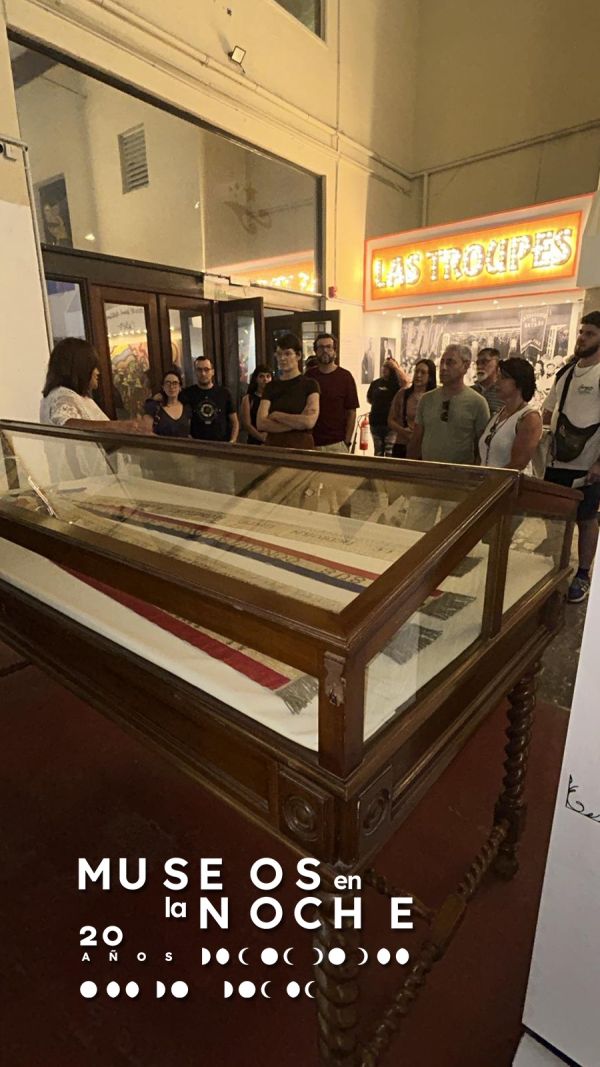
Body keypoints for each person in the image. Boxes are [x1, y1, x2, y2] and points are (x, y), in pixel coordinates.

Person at [543, 311, 600, 603]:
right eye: (581, 332)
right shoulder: (566, 372)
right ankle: (559, 566)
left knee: (586, 518)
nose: (582, 338)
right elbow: (548, 410)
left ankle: (583, 573)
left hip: (587, 463)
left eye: (590, 334)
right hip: (556, 460)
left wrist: (599, 463)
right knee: (555, 516)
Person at [40, 337, 145, 433]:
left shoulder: (67, 396)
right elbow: (65, 423)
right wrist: (117, 426)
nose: (97, 372)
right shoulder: (64, 396)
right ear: (81, 368)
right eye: (93, 367)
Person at [408, 343, 490, 464]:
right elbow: (416, 439)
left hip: (460, 472)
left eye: (450, 362)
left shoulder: (477, 403)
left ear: (465, 366)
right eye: (442, 362)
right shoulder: (426, 399)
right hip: (428, 470)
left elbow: (482, 446)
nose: (443, 367)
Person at [257, 332, 319, 449]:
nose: (282, 358)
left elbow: (309, 421)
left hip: (301, 447)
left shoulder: (310, 385)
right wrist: (297, 423)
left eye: (287, 354)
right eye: (279, 354)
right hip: (274, 448)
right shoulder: (271, 387)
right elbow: (261, 423)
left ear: (298, 355)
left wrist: (276, 415)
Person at [478, 358, 542, 473]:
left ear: (519, 382)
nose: (497, 382)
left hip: (508, 483)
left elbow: (518, 464)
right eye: (498, 377)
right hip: (488, 481)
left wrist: (490, 480)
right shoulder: (498, 414)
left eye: (503, 378)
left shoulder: (529, 418)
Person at [305, 333, 358, 451]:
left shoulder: (345, 377)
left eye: (328, 347)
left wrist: (347, 442)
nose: (325, 351)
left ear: (335, 351)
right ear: (315, 351)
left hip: (337, 443)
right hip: (312, 442)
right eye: (321, 347)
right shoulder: (309, 376)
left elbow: (351, 411)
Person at [180, 356, 239, 443]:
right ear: (195, 372)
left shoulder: (224, 393)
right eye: (199, 370)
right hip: (197, 445)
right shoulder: (187, 393)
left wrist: (232, 441)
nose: (203, 373)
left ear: (213, 372)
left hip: (222, 444)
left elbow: (235, 422)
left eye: (206, 369)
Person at [388, 358, 437, 458]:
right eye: (416, 371)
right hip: (402, 444)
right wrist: (403, 431)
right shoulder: (403, 394)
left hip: (425, 447)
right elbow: (390, 420)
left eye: (423, 372)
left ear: (430, 377)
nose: (418, 375)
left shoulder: (434, 397)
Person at [366, 359, 407, 456]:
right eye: (383, 366)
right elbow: (369, 399)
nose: (384, 369)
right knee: (378, 451)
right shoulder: (375, 383)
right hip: (376, 423)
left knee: (389, 452)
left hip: (390, 425)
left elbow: (402, 400)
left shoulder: (398, 385)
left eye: (387, 367)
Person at [142, 366, 191, 437]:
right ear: (163, 387)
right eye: (168, 383)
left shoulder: (187, 408)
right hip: (160, 444)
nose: (171, 387)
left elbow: (188, 433)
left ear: (180, 387)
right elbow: (147, 433)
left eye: (175, 383)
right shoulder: (153, 407)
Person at [240, 364, 272, 444]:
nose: (265, 379)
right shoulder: (248, 399)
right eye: (261, 376)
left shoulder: (276, 398)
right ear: (256, 379)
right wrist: (261, 437)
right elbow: (247, 424)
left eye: (268, 376)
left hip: (273, 440)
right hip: (254, 441)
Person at [472, 347, 504, 415]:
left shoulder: (504, 393)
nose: (479, 367)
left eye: (484, 362)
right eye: (477, 363)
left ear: (497, 364)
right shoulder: (470, 391)